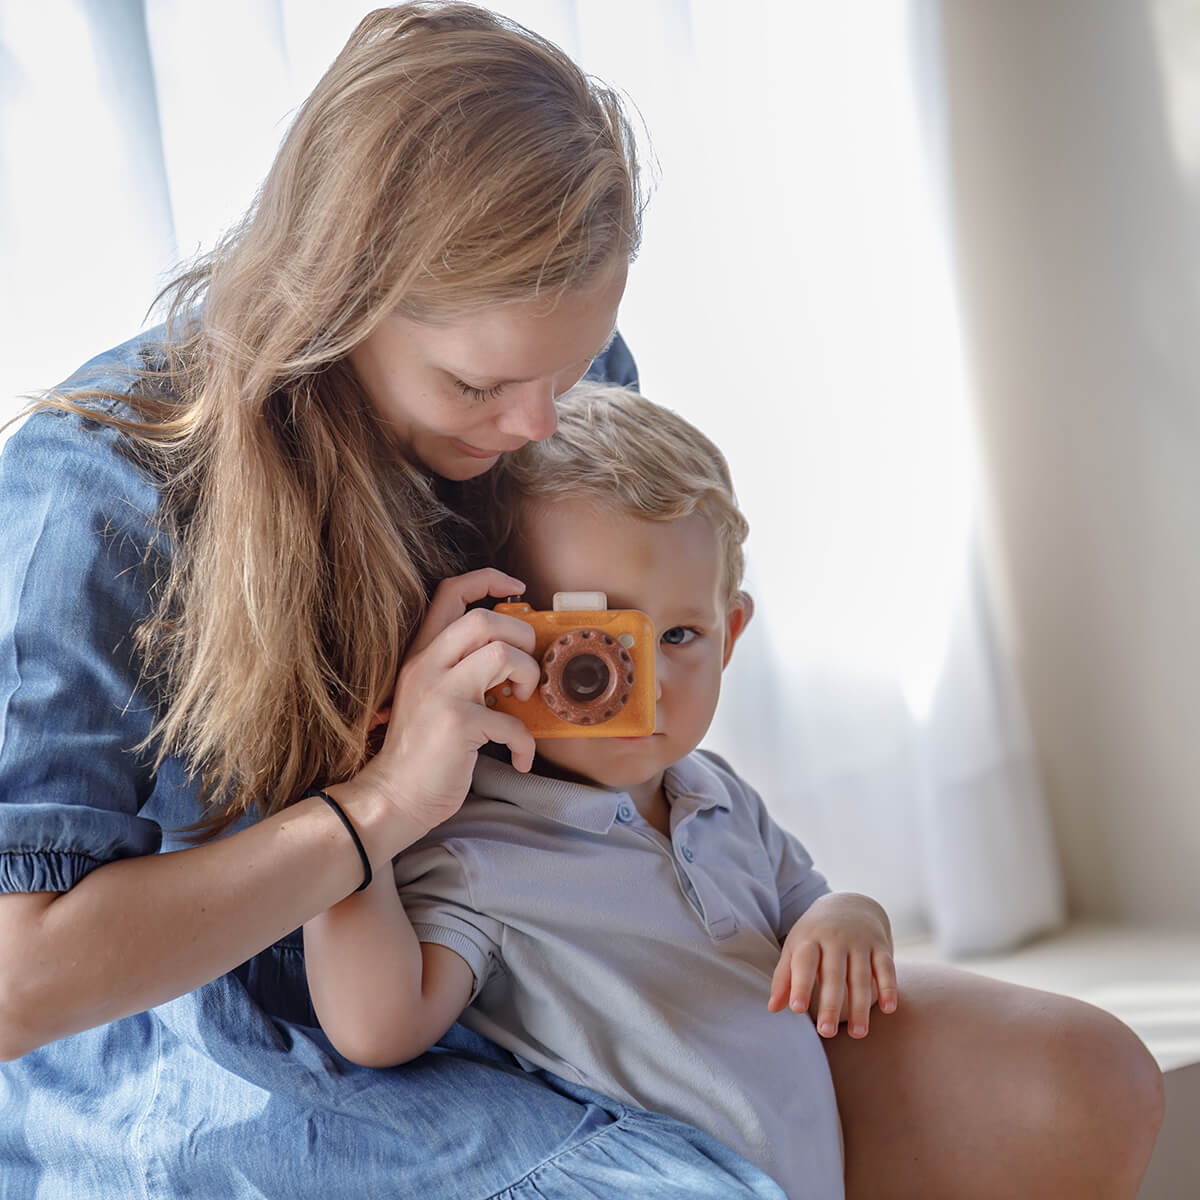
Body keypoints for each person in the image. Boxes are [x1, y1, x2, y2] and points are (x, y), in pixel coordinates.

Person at [0, 3, 1163, 1198]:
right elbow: (17, 986)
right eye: (482, 382)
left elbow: (623, 738)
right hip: (237, 1043)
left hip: (550, 966)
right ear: (335, 293)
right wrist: (378, 809)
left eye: (572, 367)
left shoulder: (549, 388)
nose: (539, 425)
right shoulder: (99, 492)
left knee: (1080, 1083)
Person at [305, 382, 901, 1198]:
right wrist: (363, 810)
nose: (639, 680)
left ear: (730, 639)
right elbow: (379, 1027)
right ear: (488, 639)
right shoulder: (484, 846)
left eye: (680, 635)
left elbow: (808, 903)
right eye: (592, 643)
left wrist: (849, 918)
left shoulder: (715, 794)